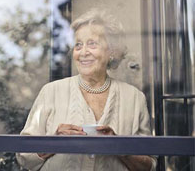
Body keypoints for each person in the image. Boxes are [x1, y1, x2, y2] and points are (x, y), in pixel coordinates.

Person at [16, 9, 157, 171]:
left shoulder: (134, 98)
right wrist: (54, 142)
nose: (83, 52)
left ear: (111, 50)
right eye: (78, 45)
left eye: (92, 44)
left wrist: (118, 146)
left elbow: (149, 166)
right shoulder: (51, 92)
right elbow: (23, 157)